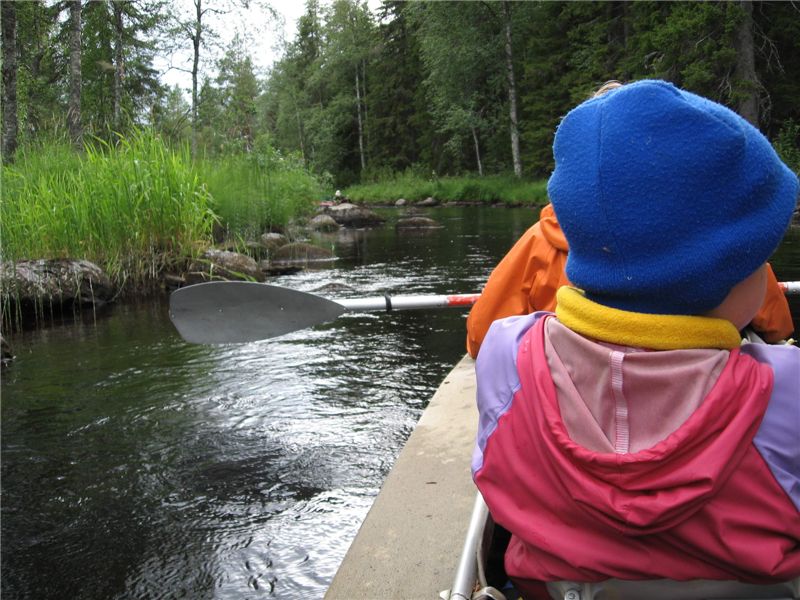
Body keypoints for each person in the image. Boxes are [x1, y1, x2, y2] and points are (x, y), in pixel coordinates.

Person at [471, 80, 800, 598]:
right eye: (759, 255)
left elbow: (480, 335)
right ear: (725, 271)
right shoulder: (787, 394)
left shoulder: (506, 356)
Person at [465, 84, 794, 358]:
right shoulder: (712, 233)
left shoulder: (539, 241)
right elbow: (777, 324)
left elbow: (481, 335)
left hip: (569, 379)